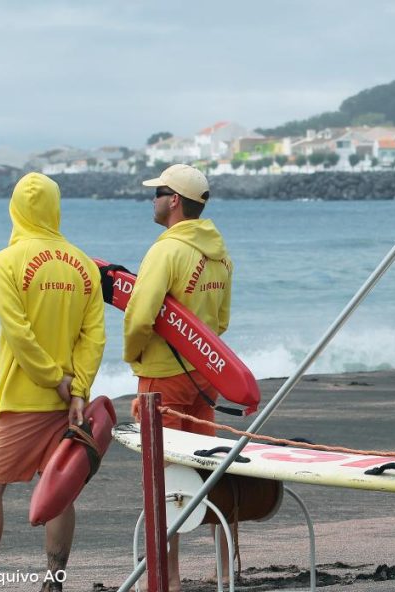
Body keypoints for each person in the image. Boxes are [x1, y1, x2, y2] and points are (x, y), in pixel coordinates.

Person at [0, 172, 106, 592]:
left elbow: (18, 334)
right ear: (55, 208)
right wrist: (78, 388)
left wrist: (53, 379)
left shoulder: (4, 262)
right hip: (67, 406)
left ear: (15, 209)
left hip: (18, 400)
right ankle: (53, 580)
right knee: (59, 490)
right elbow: (94, 336)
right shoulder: (84, 265)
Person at [124, 164, 233, 590]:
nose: (151, 199)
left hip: (162, 378)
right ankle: (225, 569)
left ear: (174, 200)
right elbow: (220, 322)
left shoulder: (166, 251)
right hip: (204, 377)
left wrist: (133, 355)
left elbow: (140, 315)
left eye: (158, 193)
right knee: (207, 469)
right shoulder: (219, 253)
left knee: (164, 478)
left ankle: (167, 579)